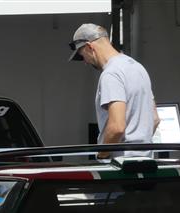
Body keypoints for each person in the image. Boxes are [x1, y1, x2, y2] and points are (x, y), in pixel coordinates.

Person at [67, 23, 159, 155]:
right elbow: (155, 119)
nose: (85, 62)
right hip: (147, 159)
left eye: (82, 56)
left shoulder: (111, 74)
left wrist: (102, 155)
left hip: (120, 162)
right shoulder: (138, 67)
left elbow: (117, 127)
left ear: (89, 47)